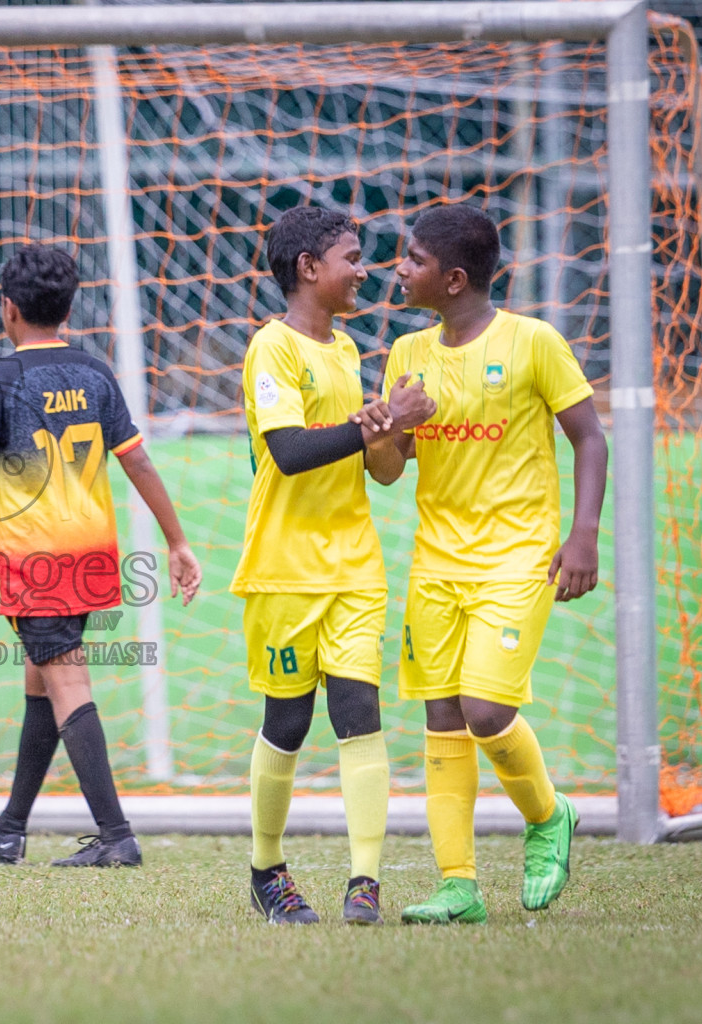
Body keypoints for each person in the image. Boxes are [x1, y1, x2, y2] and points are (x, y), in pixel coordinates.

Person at [376, 204, 608, 923]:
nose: (398, 268)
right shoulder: (407, 355)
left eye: (411, 258)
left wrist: (584, 535)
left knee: (486, 710)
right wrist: (394, 426)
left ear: (451, 278)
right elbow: (386, 471)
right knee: (442, 716)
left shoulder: (534, 342)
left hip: (518, 557)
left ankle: (549, 816)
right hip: (436, 561)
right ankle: (458, 885)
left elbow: (590, 439)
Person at [0, 244, 201, 868]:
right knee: (42, 680)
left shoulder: (2, 380)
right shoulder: (95, 373)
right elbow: (136, 458)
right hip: (91, 556)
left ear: (7, 309)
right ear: (67, 307)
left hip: (38, 561)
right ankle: (9, 828)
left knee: (65, 682)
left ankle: (116, 835)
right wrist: (176, 541)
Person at [231, 207, 437, 924]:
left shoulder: (349, 351)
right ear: (309, 268)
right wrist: (370, 422)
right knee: (286, 724)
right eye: (351, 256)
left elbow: (381, 472)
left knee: (361, 717)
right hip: (284, 570)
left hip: (354, 565)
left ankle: (364, 880)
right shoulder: (272, 348)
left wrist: (395, 429)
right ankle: (266, 870)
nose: (364, 270)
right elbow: (288, 452)